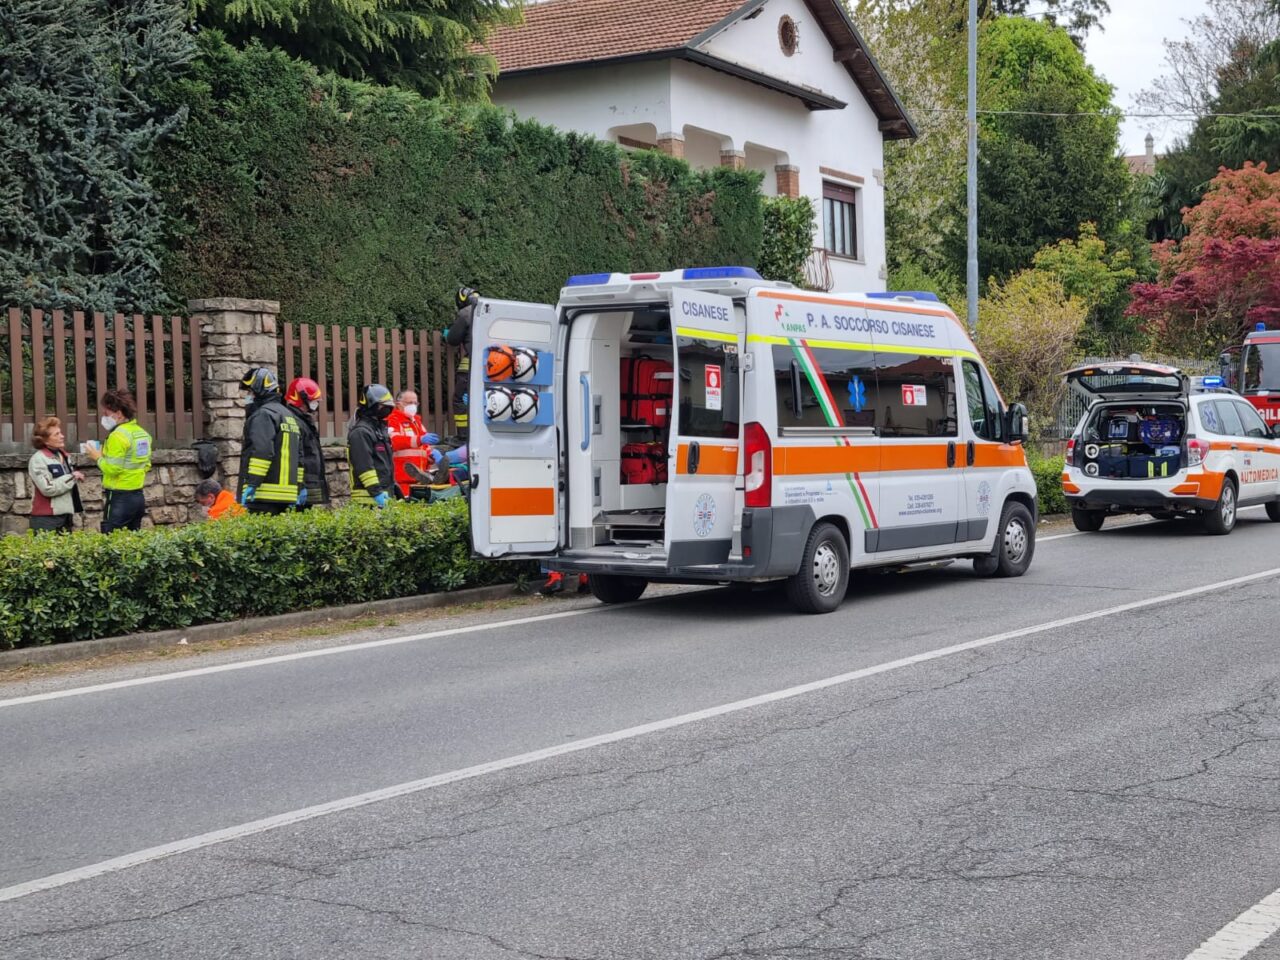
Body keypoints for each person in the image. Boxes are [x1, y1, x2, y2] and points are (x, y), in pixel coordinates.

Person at [85, 389, 152, 533]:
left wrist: (97, 457)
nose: (103, 417)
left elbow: (113, 469)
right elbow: (146, 464)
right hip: (138, 497)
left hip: (119, 497)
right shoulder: (142, 434)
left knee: (111, 542)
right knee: (133, 541)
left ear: (119, 414)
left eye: (106, 413)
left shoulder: (117, 436)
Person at [237, 367, 303, 514]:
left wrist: (253, 483)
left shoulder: (263, 415)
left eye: (250, 392)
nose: (248, 396)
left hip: (263, 494)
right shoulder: (288, 415)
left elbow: (262, 451)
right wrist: (299, 486)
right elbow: (299, 456)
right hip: (288, 494)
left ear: (259, 391)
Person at [27, 416, 84, 533]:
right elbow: (48, 488)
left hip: (65, 516)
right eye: (56, 434)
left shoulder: (63, 455)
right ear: (45, 440)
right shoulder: (38, 459)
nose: (62, 436)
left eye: (60, 433)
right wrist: (72, 477)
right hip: (47, 518)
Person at [347, 383, 397, 508]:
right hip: (367, 499)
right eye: (383, 406)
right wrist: (377, 493)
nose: (387, 409)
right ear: (371, 405)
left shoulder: (379, 430)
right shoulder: (361, 432)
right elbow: (364, 467)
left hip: (383, 495)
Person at [284, 377, 330, 509]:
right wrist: (299, 486)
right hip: (300, 485)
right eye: (313, 401)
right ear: (301, 399)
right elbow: (296, 456)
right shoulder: (294, 421)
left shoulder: (302, 420)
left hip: (307, 484)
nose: (315, 404)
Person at [386, 389, 440, 499]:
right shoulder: (392, 420)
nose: (413, 406)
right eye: (410, 403)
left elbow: (424, 447)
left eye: (415, 403)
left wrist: (431, 456)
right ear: (398, 404)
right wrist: (420, 439)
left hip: (420, 479)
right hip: (402, 480)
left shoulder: (417, 422)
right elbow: (394, 441)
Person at [445, 287, 478, 440]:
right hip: (495, 365)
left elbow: (453, 339)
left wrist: (447, 334)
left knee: (460, 399)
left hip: (472, 363)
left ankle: (464, 436)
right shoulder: (491, 310)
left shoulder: (466, 313)